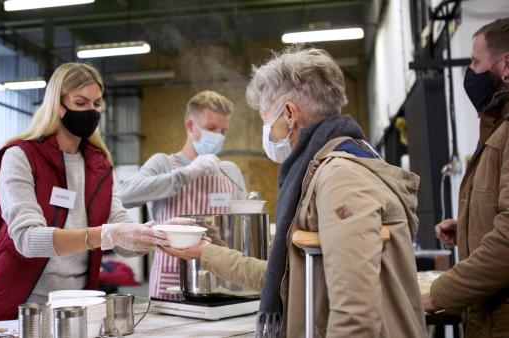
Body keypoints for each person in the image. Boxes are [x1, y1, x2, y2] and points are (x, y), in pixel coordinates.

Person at [161, 46, 427, 337]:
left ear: (289, 113)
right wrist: (207, 254)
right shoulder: (331, 165)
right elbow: (290, 277)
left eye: (266, 122)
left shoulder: (340, 176)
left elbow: (355, 312)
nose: (268, 134)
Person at [0, 62, 182, 322]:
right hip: (19, 306)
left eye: (97, 104)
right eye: (80, 103)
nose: (91, 111)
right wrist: (105, 235)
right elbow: (27, 239)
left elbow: (122, 237)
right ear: (57, 105)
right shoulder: (20, 156)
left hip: (76, 308)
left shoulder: (99, 166)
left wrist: (155, 234)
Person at [422, 18, 509, 337]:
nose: (470, 72)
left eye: (475, 61)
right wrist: (471, 224)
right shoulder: (499, 126)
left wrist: (437, 296)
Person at [119, 90, 247, 299]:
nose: (218, 136)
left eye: (223, 131)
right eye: (211, 128)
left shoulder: (229, 171)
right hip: (172, 277)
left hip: (220, 274)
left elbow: (241, 225)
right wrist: (186, 173)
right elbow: (124, 195)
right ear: (190, 126)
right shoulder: (164, 164)